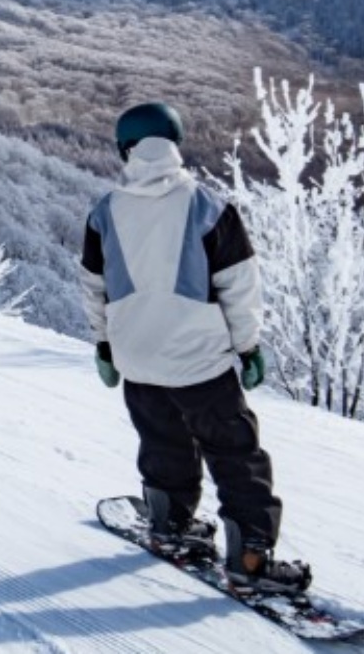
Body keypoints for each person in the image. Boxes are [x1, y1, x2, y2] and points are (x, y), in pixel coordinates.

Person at [78, 102, 312, 594]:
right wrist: (248, 348)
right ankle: (250, 558)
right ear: (175, 142)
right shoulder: (209, 207)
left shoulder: (105, 211)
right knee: (234, 452)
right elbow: (240, 285)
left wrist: (104, 345)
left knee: (162, 440)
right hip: (198, 361)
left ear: (126, 148)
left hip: (137, 357)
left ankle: (170, 525)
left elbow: (93, 286)